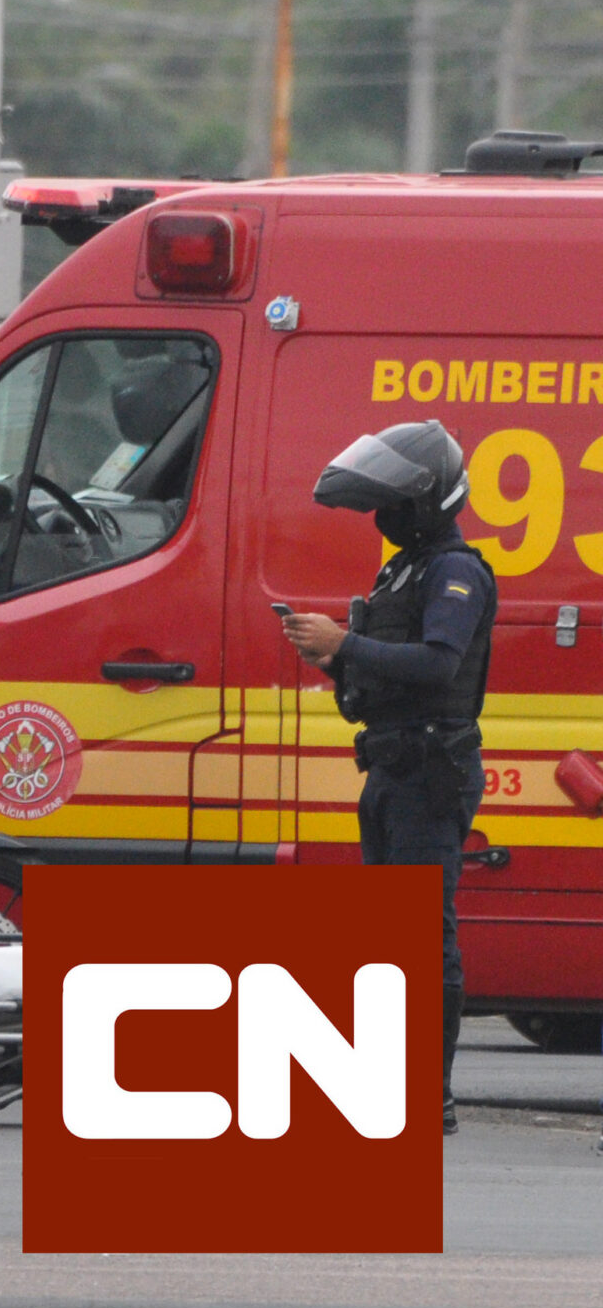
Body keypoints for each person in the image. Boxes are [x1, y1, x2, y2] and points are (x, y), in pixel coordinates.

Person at [280, 419, 495, 1137]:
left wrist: (347, 642)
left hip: (430, 771)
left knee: (423, 937)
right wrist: (335, 658)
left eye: (393, 504)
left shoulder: (456, 571)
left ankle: (430, 1095)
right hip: (392, 766)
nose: (382, 518)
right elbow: (390, 664)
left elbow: (439, 664)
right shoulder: (401, 570)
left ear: (428, 501)